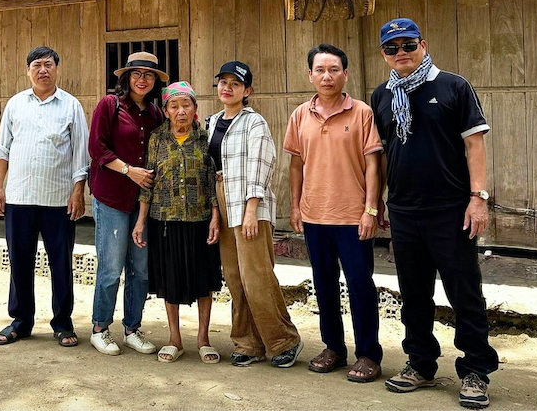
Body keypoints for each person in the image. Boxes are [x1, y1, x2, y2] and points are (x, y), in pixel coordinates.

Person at [370, 18, 497, 409]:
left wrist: (479, 197)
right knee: (413, 294)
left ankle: (476, 369)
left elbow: (474, 145)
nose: (401, 53)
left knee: (465, 293)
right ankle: (421, 364)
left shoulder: (454, 87)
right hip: (405, 212)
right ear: (384, 55)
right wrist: (378, 205)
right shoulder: (382, 96)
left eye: (408, 45)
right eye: (392, 48)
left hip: (451, 210)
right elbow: (384, 155)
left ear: (423, 44)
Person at [285, 43, 384, 382]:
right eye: (320, 70)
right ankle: (334, 349)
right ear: (310, 74)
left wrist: (371, 209)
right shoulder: (300, 115)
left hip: (353, 217)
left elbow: (374, 165)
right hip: (314, 216)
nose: (327, 76)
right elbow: (295, 165)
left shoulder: (361, 113)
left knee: (359, 285)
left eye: (334, 70)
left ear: (345, 73)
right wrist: (295, 205)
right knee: (323, 283)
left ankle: (369, 354)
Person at [0, 46, 89, 348]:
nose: (42, 70)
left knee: (60, 263)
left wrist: (78, 192)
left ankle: (62, 322)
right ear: (28, 70)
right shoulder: (15, 104)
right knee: (19, 262)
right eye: (36, 65)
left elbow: (80, 155)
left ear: (57, 69)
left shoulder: (71, 106)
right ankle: (21, 321)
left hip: (58, 200)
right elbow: (2, 149)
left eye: (48, 64)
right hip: (19, 197)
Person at [210, 61, 304, 369]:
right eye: (223, 82)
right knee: (234, 276)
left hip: (250, 203)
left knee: (256, 276)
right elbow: (210, 171)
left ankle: (282, 340)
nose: (227, 88)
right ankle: (247, 342)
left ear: (246, 91)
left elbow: (262, 168)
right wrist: (214, 212)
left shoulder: (254, 123)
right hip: (223, 204)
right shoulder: (211, 123)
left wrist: (251, 211)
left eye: (234, 84)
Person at [132, 81, 221, 364]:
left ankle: (203, 339)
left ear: (195, 108)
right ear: (166, 110)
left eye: (186, 105)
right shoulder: (157, 139)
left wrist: (215, 217)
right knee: (170, 280)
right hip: (165, 220)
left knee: (203, 279)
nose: (181, 111)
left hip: (200, 219)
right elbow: (148, 181)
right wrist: (141, 221)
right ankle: (175, 339)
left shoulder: (205, 138)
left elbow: (212, 182)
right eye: (174, 106)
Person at [87, 51, 166, 356]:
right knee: (111, 267)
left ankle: (132, 328)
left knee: (141, 270)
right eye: (136, 74)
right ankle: (100, 327)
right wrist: (128, 170)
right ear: (126, 77)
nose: (142, 79)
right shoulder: (111, 105)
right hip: (113, 199)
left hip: (144, 203)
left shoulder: (158, 114)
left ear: (155, 81)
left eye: (148, 75)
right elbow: (97, 147)